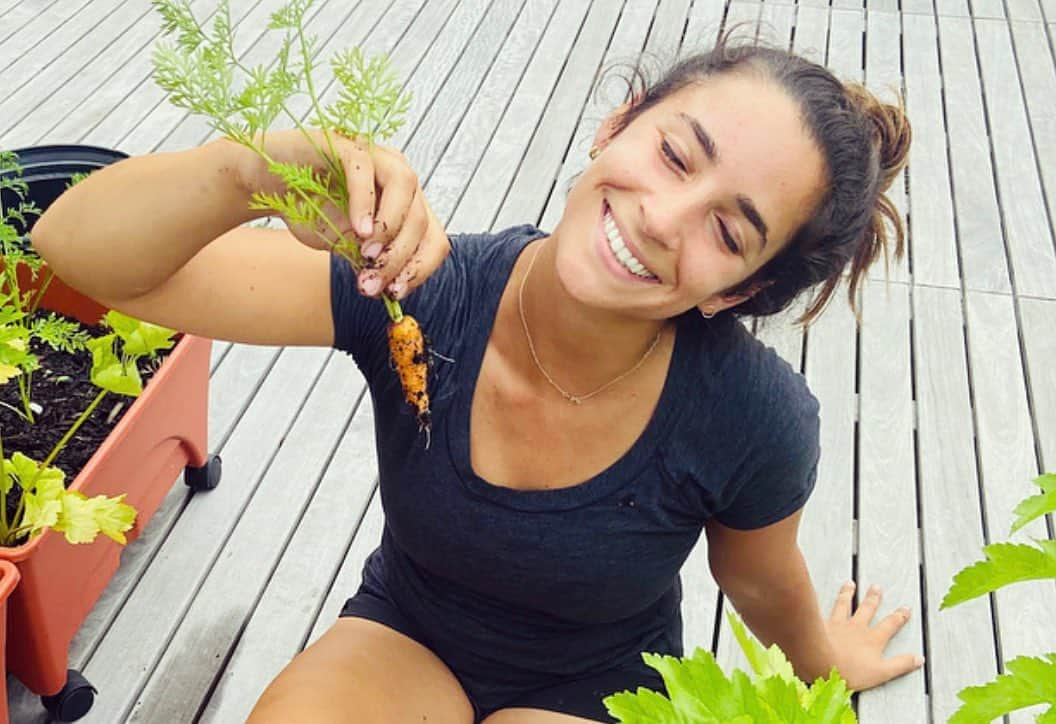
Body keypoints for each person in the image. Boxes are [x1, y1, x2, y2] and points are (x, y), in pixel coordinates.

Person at [33, 31, 919, 724]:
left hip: (594, 676)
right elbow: (77, 253)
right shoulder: (422, 291)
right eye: (675, 155)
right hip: (407, 629)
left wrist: (823, 669)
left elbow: (760, 580)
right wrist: (248, 172)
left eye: (729, 234)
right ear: (618, 125)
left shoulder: (753, 415)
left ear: (742, 291)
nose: (661, 217)